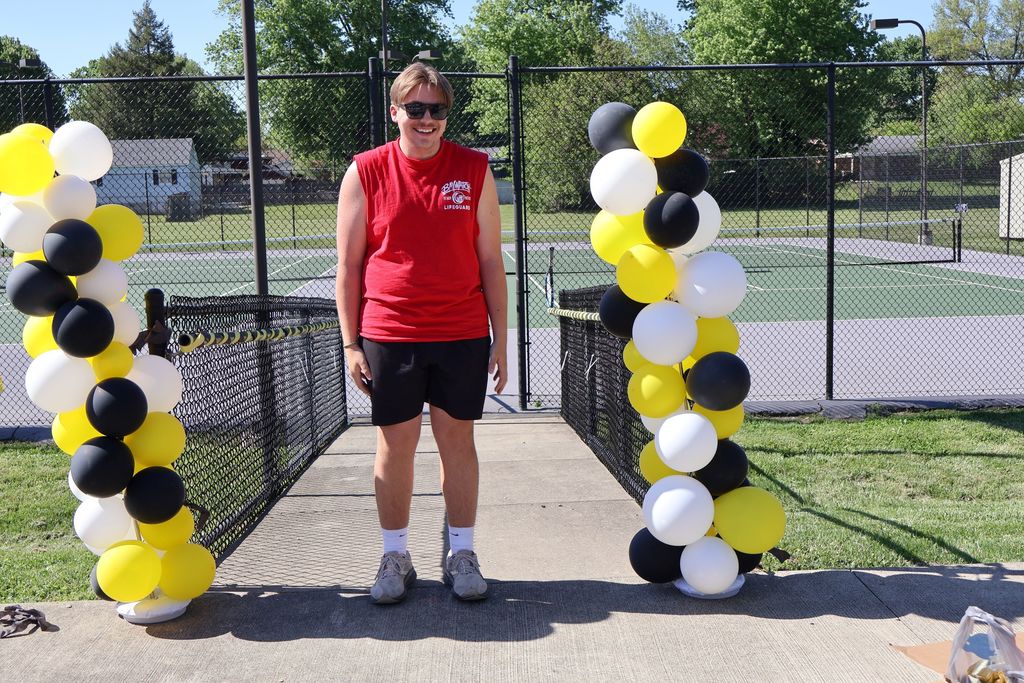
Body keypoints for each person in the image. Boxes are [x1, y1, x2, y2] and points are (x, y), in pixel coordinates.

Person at [335, 62, 508, 605]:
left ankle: (462, 553)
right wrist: (350, 343)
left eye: (436, 109)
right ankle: (395, 556)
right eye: (416, 109)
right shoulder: (365, 171)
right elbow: (349, 266)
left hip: (460, 333)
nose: (427, 119)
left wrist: (501, 338)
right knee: (395, 446)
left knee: (458, 444)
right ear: (396, 112)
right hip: (390, 332)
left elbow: (490, 260)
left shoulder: (475, 169)